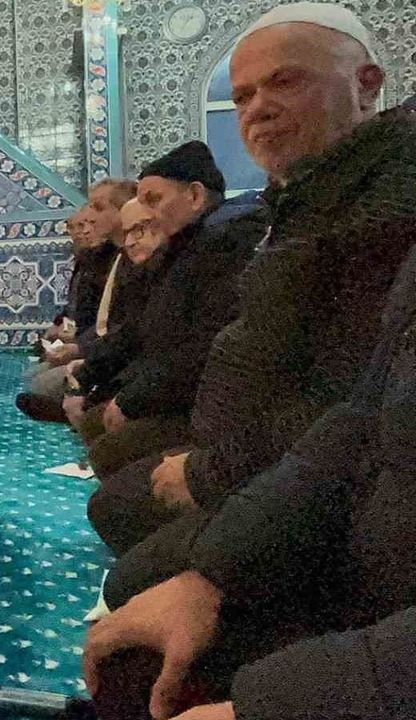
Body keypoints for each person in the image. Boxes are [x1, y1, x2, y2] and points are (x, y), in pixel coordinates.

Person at [85, 2, 416, 555]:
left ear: (366, 85)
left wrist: (209, 471)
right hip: (247, 452)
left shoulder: (386, 204)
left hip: (311, 485)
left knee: (125, 524)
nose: (257, 109)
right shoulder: (300, 201)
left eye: (284, 82)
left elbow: (351, 396)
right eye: (241, 97)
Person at [84, 241, 416, 720]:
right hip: (364, 553)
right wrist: (212, 576)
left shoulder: (365, 223)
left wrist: (263, 703)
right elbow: (355, 420)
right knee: (137, 655)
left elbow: (312, 400)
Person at [70, 143, 265, 530]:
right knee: (97, 430)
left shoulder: (226, 245)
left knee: (112, 488)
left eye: (153, 201)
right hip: (171, 391)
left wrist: (129, 398)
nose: (145, 216)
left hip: (206, 413)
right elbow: (143, 332)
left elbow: (200, 349)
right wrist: (90, 376)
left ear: (194, 196)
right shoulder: (186, 249)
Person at [17, 179, 137, 422]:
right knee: (34, 378)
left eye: (97, 209)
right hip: (98, 348)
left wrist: (79, 348)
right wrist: (63, 328)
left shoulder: (129, 259)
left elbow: (120, 329)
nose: (87, 223)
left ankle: (84, 406)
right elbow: (80, 310)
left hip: (114, 358)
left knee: (41, 384)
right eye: (75, 226)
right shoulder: (100, 259)